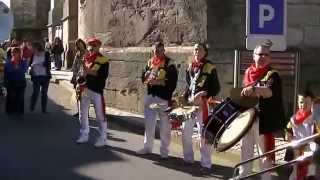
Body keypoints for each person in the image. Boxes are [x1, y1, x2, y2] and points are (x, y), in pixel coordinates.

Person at [238, 40, 286, 180]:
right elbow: (242, 93)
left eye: (266, 55)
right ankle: (243, 175)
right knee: (245, 149)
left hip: (263, 120)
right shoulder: (248, 72)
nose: (263, 57)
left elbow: (269, 92)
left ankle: (266, 178)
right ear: (254, 56)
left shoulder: (273, 74)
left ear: (269, 58)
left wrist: (254, 89)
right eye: (260, 54)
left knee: (264, 154)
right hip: (247, 118)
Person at [181, 43, 220, 170]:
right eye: (195, 49)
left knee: (204, 134)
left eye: (200, 49)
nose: (197, 51)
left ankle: (206, 163)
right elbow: (189, 85)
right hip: (190, 105)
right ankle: (188, 159)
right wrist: (184, 95)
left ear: (205, 52)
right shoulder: (190, 66)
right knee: (186, 131)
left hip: (203, 106)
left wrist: (205, 93)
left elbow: (216, 88)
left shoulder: (210, 66)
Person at [136, 41, 178, 158]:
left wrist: (158, 82)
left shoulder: (170, 63)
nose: (158, 53)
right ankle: (147, 147)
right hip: (150, 97)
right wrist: (146, 77)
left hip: (163, 99)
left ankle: (164, 151)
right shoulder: (150, 62)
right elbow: (143, 77)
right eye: (155, 51)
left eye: (160, 50)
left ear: (163, 50)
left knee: (165, 126)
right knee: (149, 124)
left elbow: (172, 83)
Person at [76, 37, 109, 148]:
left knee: (100, 115)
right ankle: (84, 134)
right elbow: (82, 73)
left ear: (99, 46)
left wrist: (87, 70)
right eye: (90, 45)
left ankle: (103, 137)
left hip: (96, 90)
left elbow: (101, 75)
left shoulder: (103, 60)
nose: (91, 47)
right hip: (84, 88)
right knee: (83, 113)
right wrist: (79, 79)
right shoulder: (87, 58)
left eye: (94, 45)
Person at [286, 90, 317, 180]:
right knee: (295, 175)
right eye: (301, 102)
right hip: (297, 152)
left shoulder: (316, 119)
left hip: (312, 153)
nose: (303, 105)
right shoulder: (293, 118)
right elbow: (288, 131)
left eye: (307, 103)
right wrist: (288, 136)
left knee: (310, 175)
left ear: (312, 103)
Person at [3, 47, 28, 115]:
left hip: (21, 82)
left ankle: (20, 110)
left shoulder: (23, 61)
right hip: (11, 82)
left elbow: (25, 70)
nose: (13, 54)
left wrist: (18, 68)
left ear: (19, 53)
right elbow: (7, 71)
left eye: (15, 52)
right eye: (12, 52)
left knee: (20, 97)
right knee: (11, 96)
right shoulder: (9, 62)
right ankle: (11, 110)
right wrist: (13, 68)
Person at [29, 42, 51, 113]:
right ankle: (32, 105)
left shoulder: (46, 54)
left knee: (44, 93)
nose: (32, 49)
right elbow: (30, 64)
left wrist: (42, 63)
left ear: (37, 48)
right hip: (36, 76)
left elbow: (49, 64)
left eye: (33, 48)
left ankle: (44, 109)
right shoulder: (33, 55)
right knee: (36, 92)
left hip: (45, 76)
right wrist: (31, 68)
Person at [70, 38, 87, 117]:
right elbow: (74, 65)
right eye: (78, 45)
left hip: (86, 76)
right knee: (78, 94)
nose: (80, 46)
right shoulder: (78, 54)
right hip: (78, 76)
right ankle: (79, 111)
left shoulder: (88, 53)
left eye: (81, 44)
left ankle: (86, 112)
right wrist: (74, 75)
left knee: (86, 95)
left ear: (83, 44)